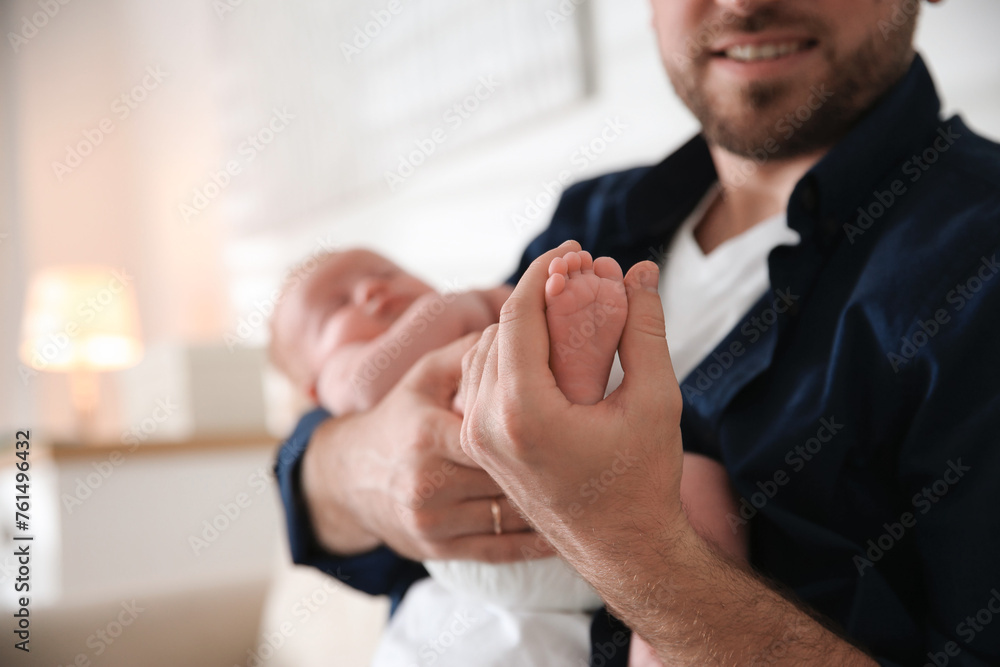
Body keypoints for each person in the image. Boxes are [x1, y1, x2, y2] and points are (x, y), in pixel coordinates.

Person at [275, 0, 1000, 664]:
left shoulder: (977, 262)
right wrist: (365, 466)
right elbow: (323, 473)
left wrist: (641, 553)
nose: (743, 4)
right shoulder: (591, 220)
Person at [268, 247, 746, 666]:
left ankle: (661, 650)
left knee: (695, 480)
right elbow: (364, 387)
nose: (372, 289)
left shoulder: (476, 311)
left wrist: (515, 307)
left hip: (623, 552)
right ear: (311, 388)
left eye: (387, 273)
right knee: (476, 400)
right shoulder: (342, 375)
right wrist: (455, 308)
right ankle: (567, 393)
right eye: (336, 306)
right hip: (498, 540)